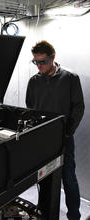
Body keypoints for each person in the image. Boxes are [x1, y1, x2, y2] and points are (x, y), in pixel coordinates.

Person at [26, 40, 85, 220]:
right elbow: (30, 107)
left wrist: (69, 131)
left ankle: (74, 215)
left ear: (53, 58)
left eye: (42, 61)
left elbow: (78, 107)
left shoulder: (70, 78)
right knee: (44, 179)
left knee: (68, 179)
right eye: (35, 62)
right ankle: (44, 213)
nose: (39, 66)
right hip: (43, 140)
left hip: (64, 138)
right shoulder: (33, 81)